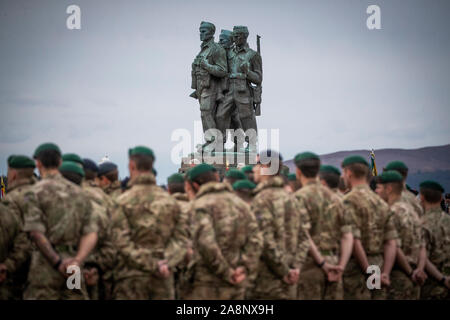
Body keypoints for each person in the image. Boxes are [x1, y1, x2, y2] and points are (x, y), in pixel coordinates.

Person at [110, 146, 189, 300]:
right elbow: (181, 240)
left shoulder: (121, 202)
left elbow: (120, 241)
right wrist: (164, 263)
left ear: (132, 165)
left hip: (130, 278)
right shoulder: (171, 203)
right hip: (163, 277)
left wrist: (151, 264)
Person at [23, 143, 98, 300]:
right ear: (59, 163)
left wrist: (57, 263)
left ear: (38, 164)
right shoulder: (79, 193)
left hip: (45, 266)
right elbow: (91, 233)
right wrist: (78, 260)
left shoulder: (34, 193)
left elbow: (36, 232)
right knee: (74, 296)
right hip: (74, 264)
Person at [183, 163, 262, 300]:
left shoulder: (198, 206)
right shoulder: (240, 204)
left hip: (207, 285)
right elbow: (256, 239)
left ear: (195, 185)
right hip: (238, 282)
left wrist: (227, 272)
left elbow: (206, 243)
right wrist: (243, 268)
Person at [249, 150, 310, 299]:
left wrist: (284, 271)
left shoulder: (261, 200)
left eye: (257, 164)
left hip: (268, 281)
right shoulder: (293, 199)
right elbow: (305, 237)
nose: (253, 169)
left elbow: (265, 240)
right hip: (291, 279)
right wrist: (295, 268)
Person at [293, 152, 354, 300]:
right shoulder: (336, 198)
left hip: (310, 266)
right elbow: (347, 235)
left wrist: (321, 263)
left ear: (298, 172)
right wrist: (341, 266)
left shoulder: (299, 198)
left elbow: (304, 235)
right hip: (335, 262)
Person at [340, 155, 398, 300]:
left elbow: (353, 240)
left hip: (356, 270)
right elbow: (391, 242)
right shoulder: (381, 203)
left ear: (349, 173)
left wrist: (368, 271)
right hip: (379, 265)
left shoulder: (347, 201)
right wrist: (385, 273)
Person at [375, 171, 427, 299]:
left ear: (389, 189)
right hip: (415, 278)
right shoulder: (413, 212)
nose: (376, 191)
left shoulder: (392, 212)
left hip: (397, 276)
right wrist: (419, 270)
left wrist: (410, 272)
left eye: (379, 187)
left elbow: (394, 247)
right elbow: (422, 246)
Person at [215, 26, 262, 152]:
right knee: (220, 115)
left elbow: (258, 78)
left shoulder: (253, 55)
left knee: (247, 117)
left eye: (237, 36)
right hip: (229, 89)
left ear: (244, 36)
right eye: (233, 36)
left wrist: (248, 72)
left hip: (243, 90)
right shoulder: (228, 53)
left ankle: (251, 144)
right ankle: (219, 144)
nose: (234, 39)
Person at [80, 159, 117, 300]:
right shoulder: (107, 199)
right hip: (101, 269)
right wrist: (98, 266)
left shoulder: (73, 195)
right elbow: (113, 237)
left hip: (73, 267)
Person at [190, 21, 227, 147]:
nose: (201, 34)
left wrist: (207, 66)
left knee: (206, 111)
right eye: (200, 31)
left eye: (204, 31)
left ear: (211, 33)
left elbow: (222, 70)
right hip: (201, 87)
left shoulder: (216, 49)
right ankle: (210, 140)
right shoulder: (203, 49)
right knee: (205, 113)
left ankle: (214, 141)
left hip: (212, 87)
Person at [419, 181, 450, 299]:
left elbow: (422, 257)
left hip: (432, 284)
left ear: (422, 197)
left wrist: (442, 279)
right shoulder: (448, 220)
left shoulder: (422, 223)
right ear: (441, 198)